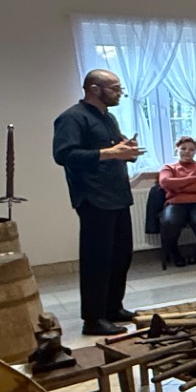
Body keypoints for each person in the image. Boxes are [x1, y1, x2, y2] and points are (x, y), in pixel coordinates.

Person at [52, 69, 143, 335]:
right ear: (94, 89)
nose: (119, 93)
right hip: (93, 197)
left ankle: (113, 307)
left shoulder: (108, 118)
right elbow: (64, 155)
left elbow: (114, 150)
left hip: (117, 195)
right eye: (114, 88)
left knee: (120, 255)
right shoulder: (72, 118)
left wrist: (126, 151)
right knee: (97, 259)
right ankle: (93, 319)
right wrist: (110, 153)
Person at [157, 136, 196, 266]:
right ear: (176, 150)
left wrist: (178, 188)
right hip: (175, 203)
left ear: (195, 152)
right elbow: (165, 182)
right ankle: (174, 252)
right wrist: (193, 179)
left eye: (191, 149)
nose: (187, 152)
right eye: (183, 148)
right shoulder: (168, 167)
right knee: (170, 221)